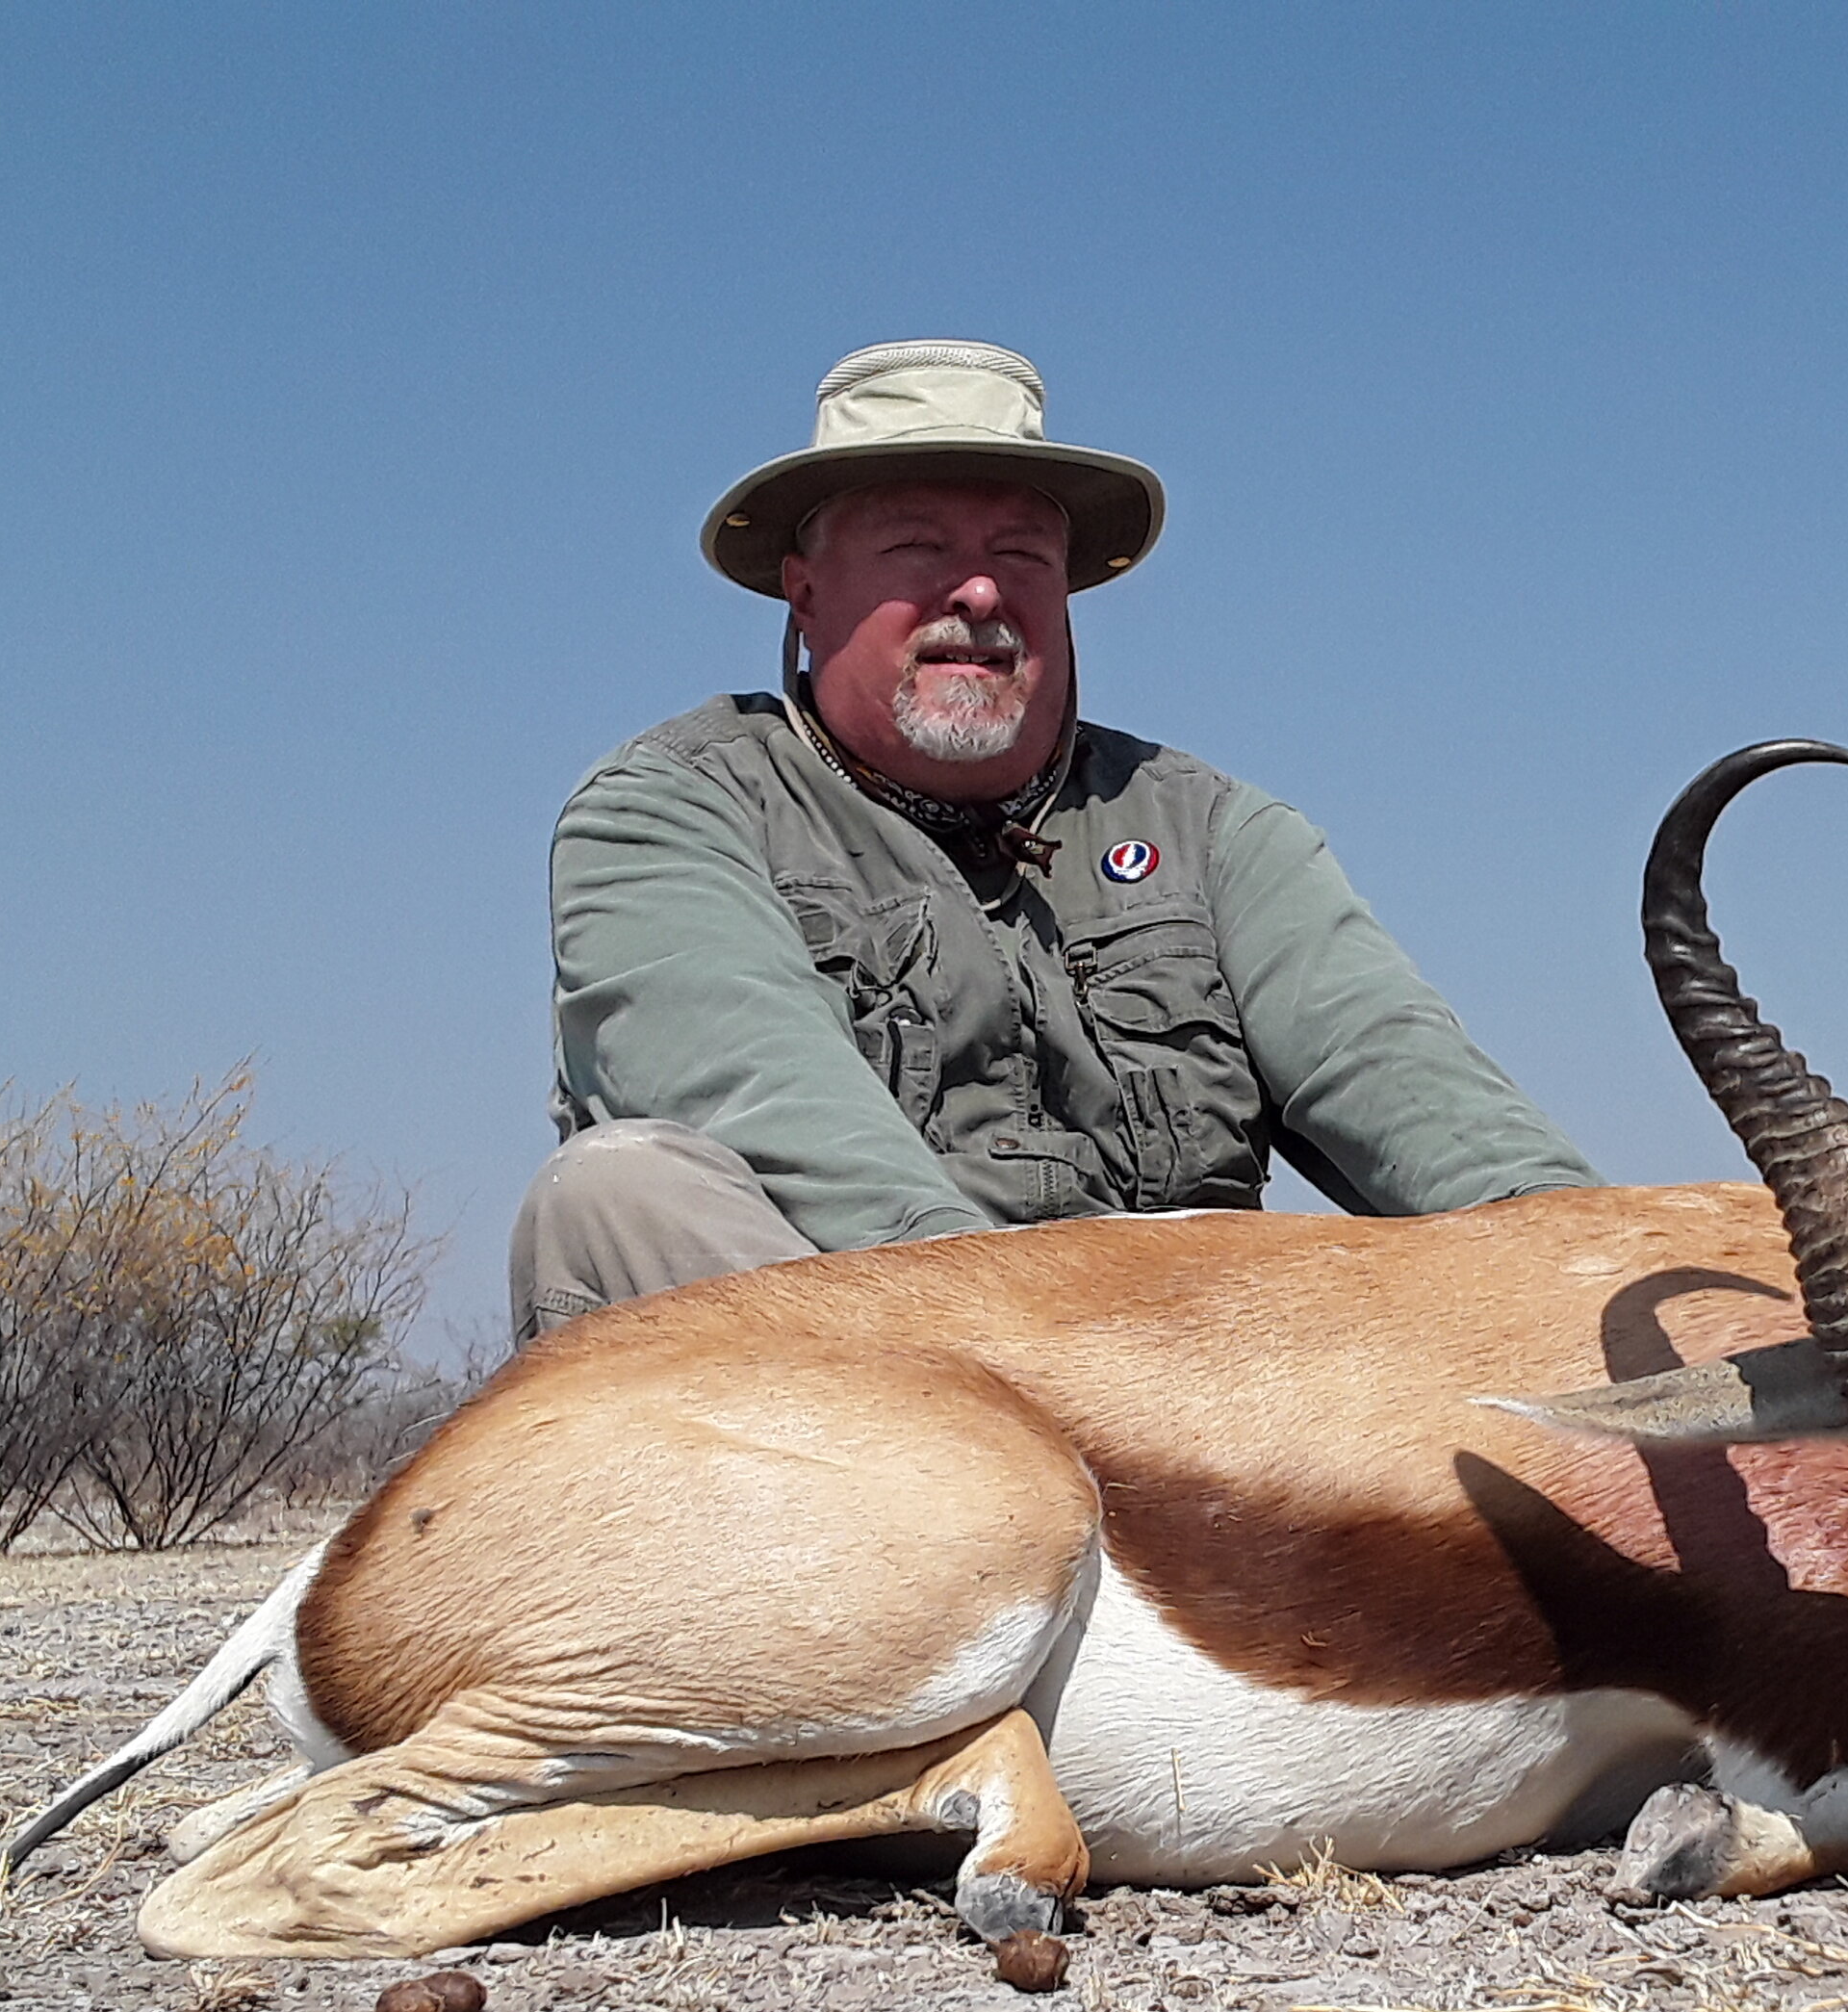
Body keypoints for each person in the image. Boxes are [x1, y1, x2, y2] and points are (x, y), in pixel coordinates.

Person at [510, 340, 1602, 1342]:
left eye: (1023, 556)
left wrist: (1611, 1265)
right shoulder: (670, 810)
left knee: (1572, 1275)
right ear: (804, 592)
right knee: (617, 1194)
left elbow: (1419, 1090)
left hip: (1203, 1390)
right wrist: (1037, 1367)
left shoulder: (1216, 832)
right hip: (885, 1385)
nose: (980, 591)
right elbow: (762, 1099)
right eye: (917, 547)